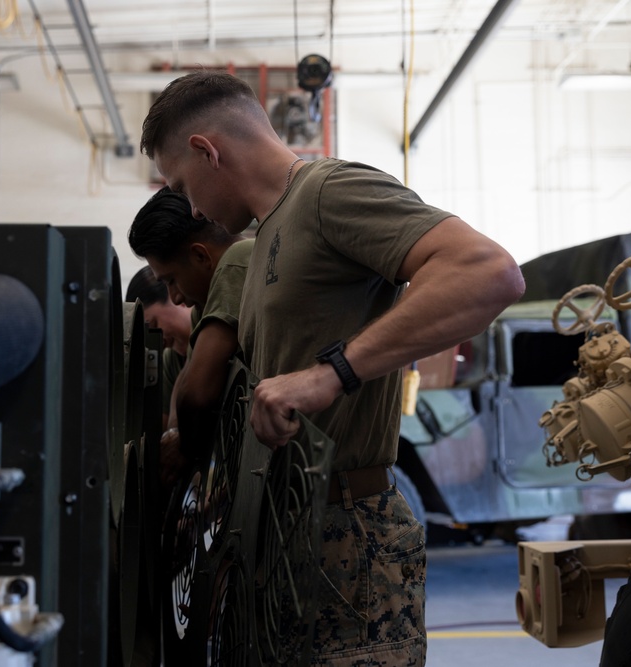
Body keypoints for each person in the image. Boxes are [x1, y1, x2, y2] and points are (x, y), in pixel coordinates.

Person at [140, 70, 525, 665]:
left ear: (206, 150)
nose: (190, 205)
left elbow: (487, 272)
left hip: (350, 534)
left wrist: (330, 374)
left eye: (183, 184)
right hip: (288, 535)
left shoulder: (327, 191)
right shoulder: (266, 234)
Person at [128, 186, 254, 482]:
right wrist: (174, 433)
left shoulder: (238, 260)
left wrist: (184, 448)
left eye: (171, 280)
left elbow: (196, 393)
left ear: (200, 256)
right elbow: (184, 384)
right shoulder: (204, 304)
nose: (174, 297)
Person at [125, 265, 192, 428]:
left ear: (178, 296)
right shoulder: (170, 362)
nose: (158, 341)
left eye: (154, 323)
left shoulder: (222, 332)